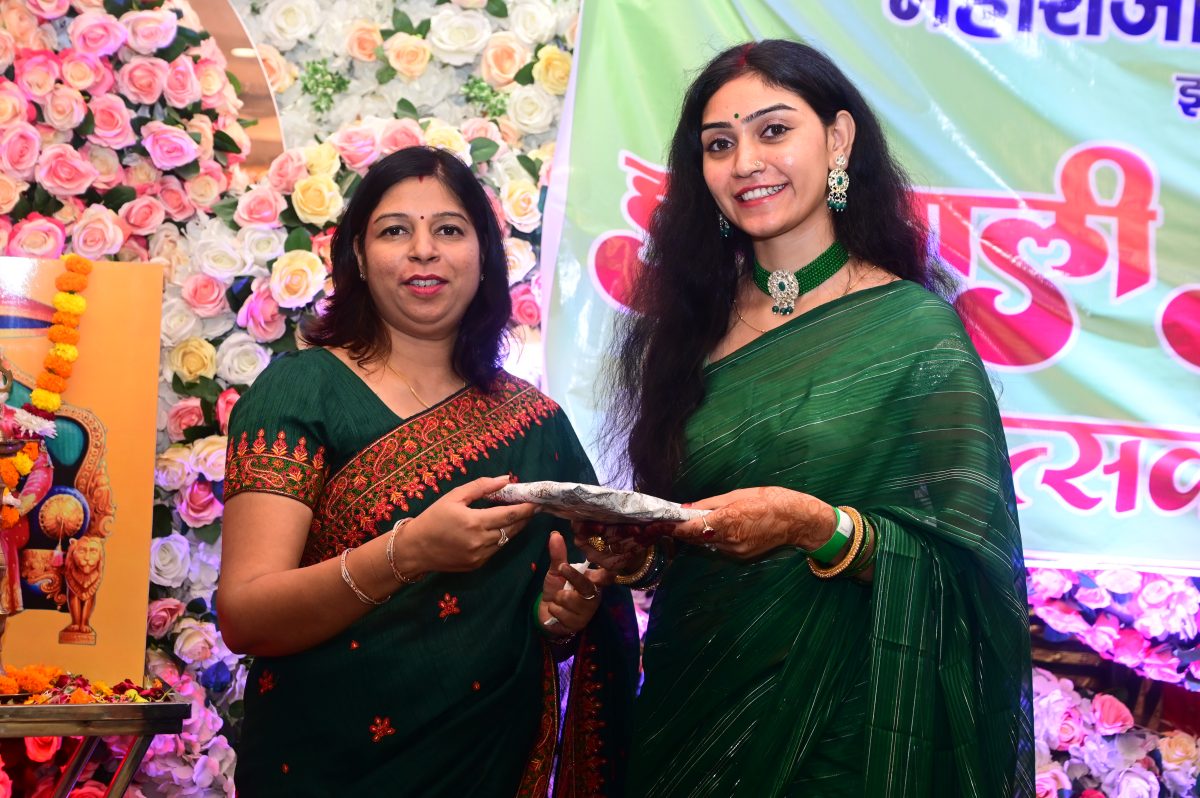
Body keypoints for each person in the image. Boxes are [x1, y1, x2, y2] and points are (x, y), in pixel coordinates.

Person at [586, 40, 1035, 796]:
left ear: (838, 140)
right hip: (690, 706)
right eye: (719, 145)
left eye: (773, 131)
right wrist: (636, 554)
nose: (745, 163)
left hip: (845, 726)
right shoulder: (686, 331)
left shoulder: (915, 331)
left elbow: (970, 573)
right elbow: (684, 528)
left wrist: (814, 527)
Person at [218, 146, 637, 797]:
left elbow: (567, 603)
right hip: (325, 769)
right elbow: (246, 616)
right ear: (359, 258)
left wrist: (560, 617)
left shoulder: (537, 423)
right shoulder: (300, 392)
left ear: (483, 256)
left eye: (448, 229)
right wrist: (407, 552)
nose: (423, 250)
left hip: (486, 769)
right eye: (394, 231)